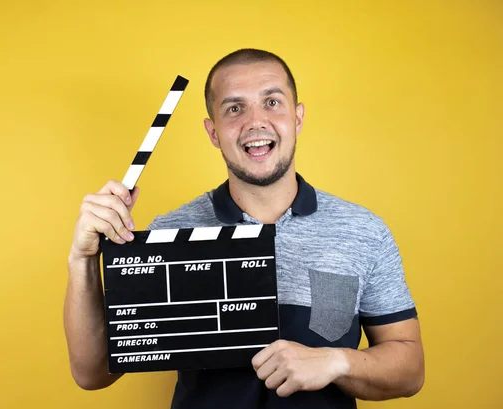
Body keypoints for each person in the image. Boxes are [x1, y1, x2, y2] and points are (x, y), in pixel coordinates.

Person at [63, 48, 425, 408]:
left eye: (272, 102)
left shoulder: (361, 231)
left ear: (297, 118)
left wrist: (336, 361)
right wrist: (82, 260)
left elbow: (410, 370)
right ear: (213, 132)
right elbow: (92, 373)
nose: (256, 122)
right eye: (234, 108)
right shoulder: (170, 235)